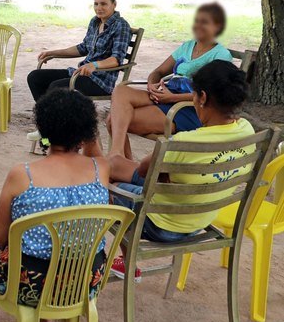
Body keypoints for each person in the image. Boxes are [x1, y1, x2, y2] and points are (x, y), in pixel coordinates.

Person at [0, 89, 110, 322]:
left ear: (42, 128)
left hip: (33, 283)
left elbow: (1, 236)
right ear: (88, 132)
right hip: (84, 280)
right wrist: (88, 135)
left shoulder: (22, 175)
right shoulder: (100, 169)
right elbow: (95, 152)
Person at [107, 60, 255, 280]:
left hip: (161, 225)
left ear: (202, 97)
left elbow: (144, 169)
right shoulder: (247, 130)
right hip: (202, 219)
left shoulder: (185, 142)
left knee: (109, 186)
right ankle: (111, 162)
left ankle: (128, 263)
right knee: (119, 167)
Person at [105, 3, 232, 158]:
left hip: (187, 108)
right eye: (197, 21)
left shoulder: (221, 55)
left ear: (217, 26)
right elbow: (158, 71)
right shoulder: (187, 46)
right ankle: (118, 156)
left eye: (204, 22)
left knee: (113, 121)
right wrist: (152, 85)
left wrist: (172, 97)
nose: (198, 25)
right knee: (120, 90)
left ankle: (120, 162)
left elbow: (213, 95)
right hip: (165, 95)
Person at [26, 0, 131, 143]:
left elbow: (117, 59)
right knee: (35, 77)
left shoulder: (121, 26)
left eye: (103, 4)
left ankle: (49, 133)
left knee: (56, 87)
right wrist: (53, 52)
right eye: (96, 4)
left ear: (114, 5)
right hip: (81, 73)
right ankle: (50, 128)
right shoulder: (95, 22)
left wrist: (95, 65)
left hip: (100, 80)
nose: (99, 8)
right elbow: (83, 48)